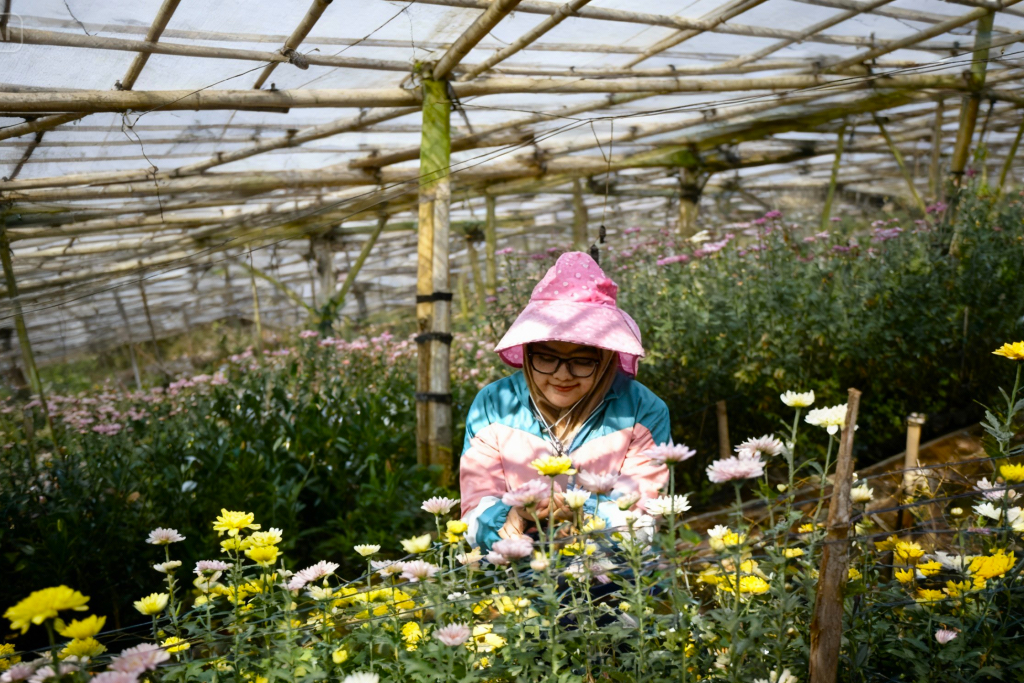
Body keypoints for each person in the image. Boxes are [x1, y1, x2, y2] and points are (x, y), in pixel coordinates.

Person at [459, 251, 671, 552]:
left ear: (607, 357)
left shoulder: (642, 410)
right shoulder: (494, 405)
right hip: (517, 575)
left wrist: (584, 513)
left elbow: (645, 519)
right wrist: (511, 516)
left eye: (582, 361)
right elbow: (474, 510)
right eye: (546, 357)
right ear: (527, 353)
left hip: (616, 579)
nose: (562, 375)